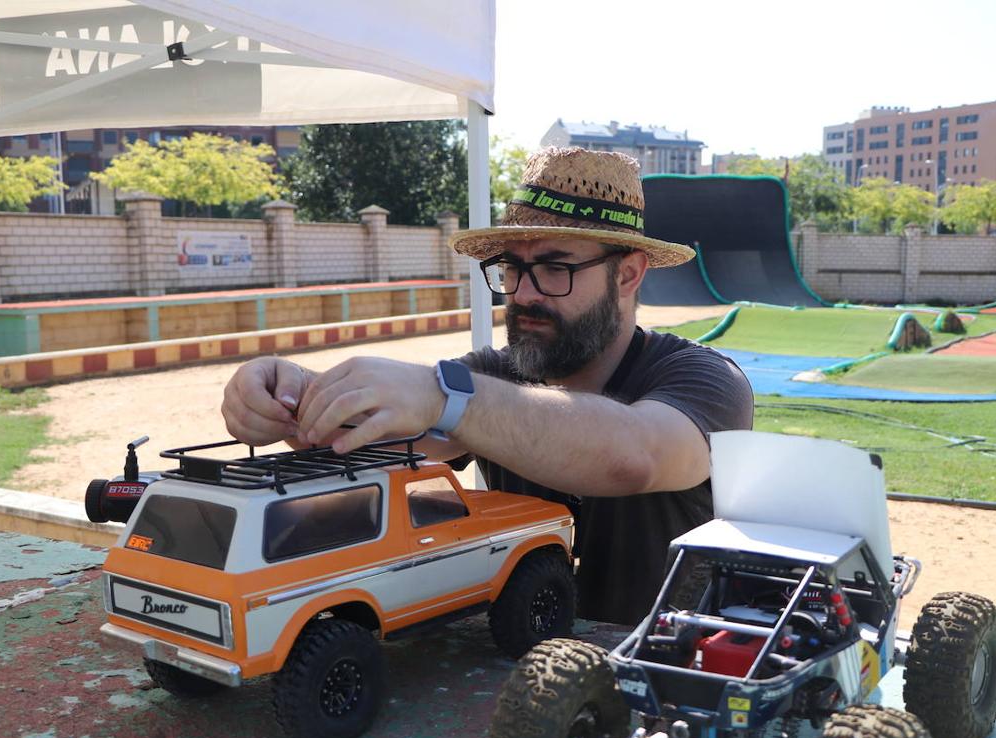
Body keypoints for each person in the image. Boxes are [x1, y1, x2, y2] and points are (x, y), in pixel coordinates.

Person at [222, 147, 753, 624]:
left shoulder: (706, 381)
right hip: (516, 677)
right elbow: (378, 440)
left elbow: (636, 454)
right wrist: (288, 395)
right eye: (511, 269)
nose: (522, 294)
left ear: (628, 274)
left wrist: (446, 398)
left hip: (664, 687)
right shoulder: (489, 376)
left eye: (553, 268)